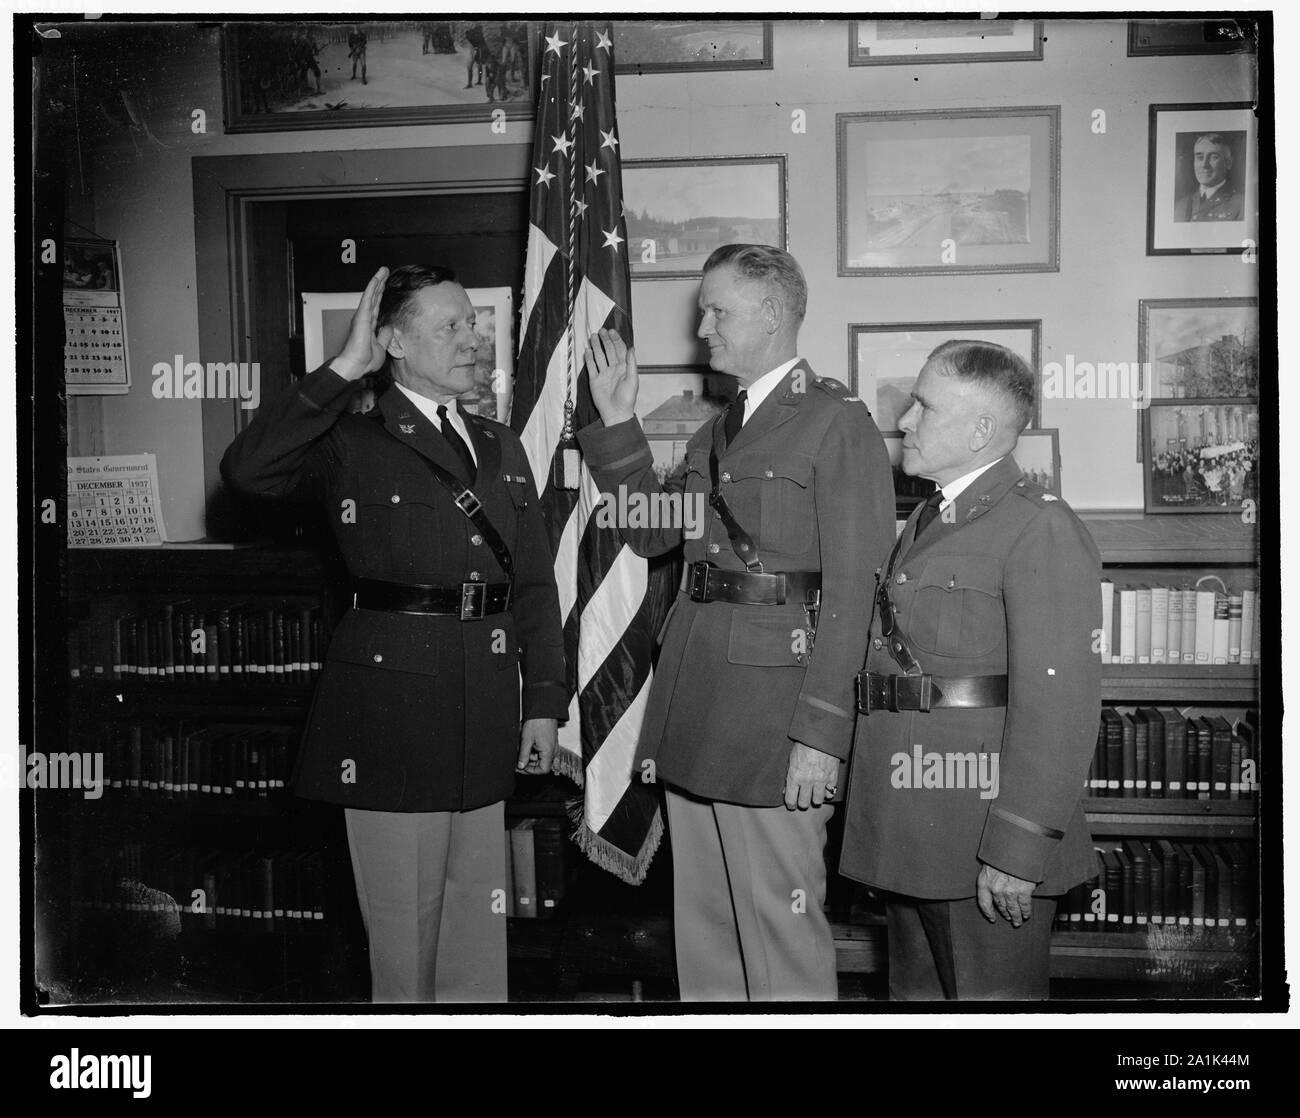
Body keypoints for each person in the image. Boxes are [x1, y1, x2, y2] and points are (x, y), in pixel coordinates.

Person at [221, 266, 566, 1002]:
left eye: (473, 323)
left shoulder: (501, 446)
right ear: (394, 342)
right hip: (391, 717)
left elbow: (532, 587)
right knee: (404, 943)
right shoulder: (351, 439)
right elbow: (248, 472)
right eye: (450, 327)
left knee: (478, 931)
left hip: (484, 708)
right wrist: (344, 370)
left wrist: (543, 701)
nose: (472, 339)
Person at [580, 244, 895, 1000]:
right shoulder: (715, 430)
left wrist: (821, 733)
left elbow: (858, 589)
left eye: (718, 310)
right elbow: (654, 532)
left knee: (779, 934)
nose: (703, 327)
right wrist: (620, 425)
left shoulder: (834, 421)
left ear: (773, 313)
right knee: (708, 932)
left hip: (774, 718)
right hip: (697, 703)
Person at [839, 339, 1101, 1000]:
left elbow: (1060, 710)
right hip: (913, 833)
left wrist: (1016, 851)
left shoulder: (1038, 528)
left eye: (924, 406)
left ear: (981, 430)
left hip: (983, 845)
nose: (905, 421)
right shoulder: (928, 517)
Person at [1174, 133, 1244, 222]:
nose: (1204, 165)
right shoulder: (1180, 206)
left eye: (1213, 157)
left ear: (1228, 163)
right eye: (1200, 157)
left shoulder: (1241, 205)